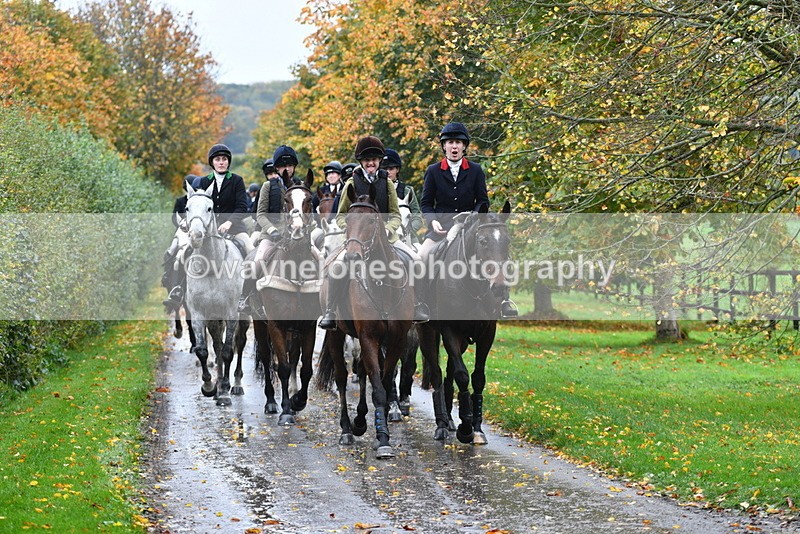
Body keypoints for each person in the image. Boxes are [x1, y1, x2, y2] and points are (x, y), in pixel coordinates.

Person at [318, 136, 429, 329]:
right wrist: (351, 230)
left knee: (416, 261)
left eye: (374, 159)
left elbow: (395, 214)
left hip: (387, 239)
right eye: (367, 159)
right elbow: (340, 216)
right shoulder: (351, 183)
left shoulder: (387, 183)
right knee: (336, 268)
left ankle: (418, 305)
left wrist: (388, 228)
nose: (371, 163)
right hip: (357, 238)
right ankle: (330, 311)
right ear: (361, 162)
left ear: (379, 161)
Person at [418, 122, 517, 318]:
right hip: (441, 229)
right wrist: (432, 221)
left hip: (471, 226)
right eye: (450, 142)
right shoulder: (433, 171)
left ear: (464, 146)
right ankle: (421, 303)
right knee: (420, 258)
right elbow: (426, 203)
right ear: (444, 146)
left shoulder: (476, 170)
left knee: (498, 253)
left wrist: (474, 216)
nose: (454, 146)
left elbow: (482, 201)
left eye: (458, 142)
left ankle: (504, 300)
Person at [162, 143, 252, 310]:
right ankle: (178, 289)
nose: (221, 162)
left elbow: (242, 207)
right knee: (184, 254)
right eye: (217, 159)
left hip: (235, 228)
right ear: (212, 162)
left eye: (224, 159)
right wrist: (191, 223)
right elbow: (196, 205)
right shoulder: (203, 181)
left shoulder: (237, 180)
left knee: (251, 252)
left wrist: (229, 222)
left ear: (228, 161)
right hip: (207, 231)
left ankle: (247, 297)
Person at [238, 145, 304, 315]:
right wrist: (272, 230)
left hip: (297, 234)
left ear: (294, 167)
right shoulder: (268, 186)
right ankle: (245, 297)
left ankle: (323, 299)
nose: (286, 169)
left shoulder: (300, 186)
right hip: (271, 235)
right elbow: (260, 214)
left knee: (319, 257)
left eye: (290, 165)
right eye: (283, 166)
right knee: (258, 261)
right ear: (277, 168)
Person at [161, 175, 197, 312]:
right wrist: (181, 224)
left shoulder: (200, 201)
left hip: (196, 232)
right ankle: (168, 278)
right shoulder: (180, 201)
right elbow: (173, 217)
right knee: (171, 251)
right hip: (182, 232)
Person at [381, 148, 423, 245]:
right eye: (384, 169)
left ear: (397, 169)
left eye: (391, 169)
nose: (388, 172)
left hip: (407, 237)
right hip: (384, 236)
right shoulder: (376, 191)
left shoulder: (407, 191)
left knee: (421, 253)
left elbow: (417, 217)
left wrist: (407, 230)